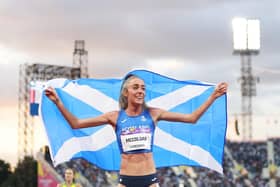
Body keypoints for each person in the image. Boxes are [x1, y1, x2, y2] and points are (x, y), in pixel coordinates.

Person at [46, 74, 227, 187]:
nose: (140, 91)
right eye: (136, 87)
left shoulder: (153, 114)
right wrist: (57, 102)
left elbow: (192, 118)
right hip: (126, 180)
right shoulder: (114, 117)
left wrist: (213, 96)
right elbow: (76, 123)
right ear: (126, 93)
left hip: (149, 179)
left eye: (143, 88)